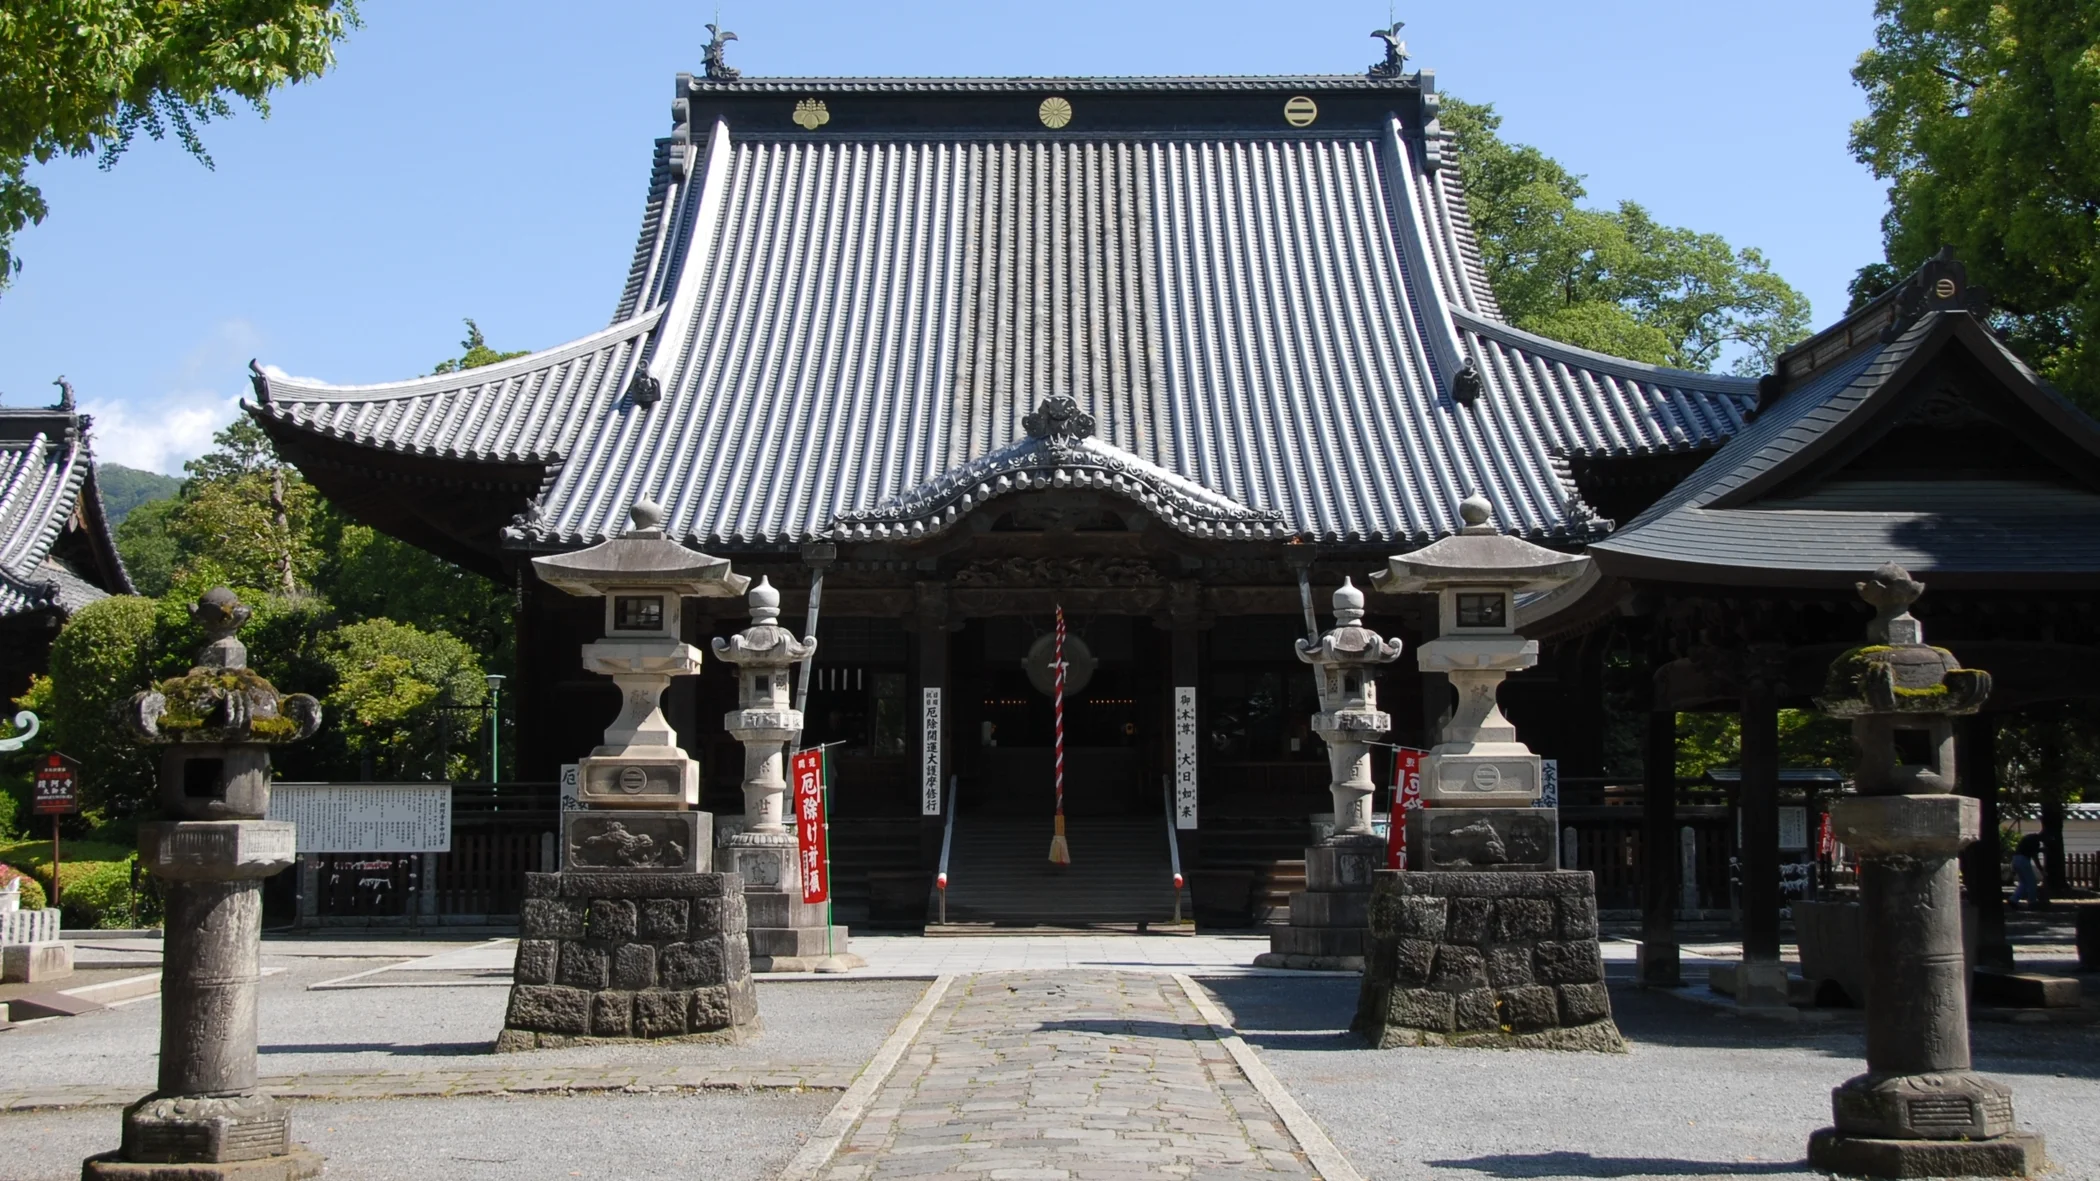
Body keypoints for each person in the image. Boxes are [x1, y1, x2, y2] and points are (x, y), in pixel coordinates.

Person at [2011, 831, 2045, 908]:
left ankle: (2013, 900)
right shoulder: (2036, 842)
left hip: (2015, 858)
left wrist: (2040, 850)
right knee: (2031, 882)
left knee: (2024, 882)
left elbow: (2029, 849)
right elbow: (2034, 856)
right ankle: (2032, 902)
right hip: (2023, 860)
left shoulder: (2029, 837)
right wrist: (2041, 869)